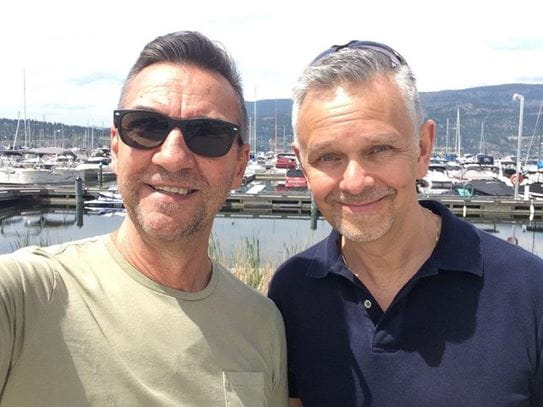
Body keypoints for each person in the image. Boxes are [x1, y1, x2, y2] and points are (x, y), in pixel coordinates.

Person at [0, 31, 287, 406]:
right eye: (147, 127)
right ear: (116, 146)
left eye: (209, 134)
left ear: (240, 165)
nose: (172, 156)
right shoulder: (29, 294)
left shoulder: (261, 323)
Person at [268, 40, 543, 406]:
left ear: (423, 148)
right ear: (303, 164)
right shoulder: (293, 292)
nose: (355, 181)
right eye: (328, 156)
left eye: (379, 149)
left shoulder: (526, 290)